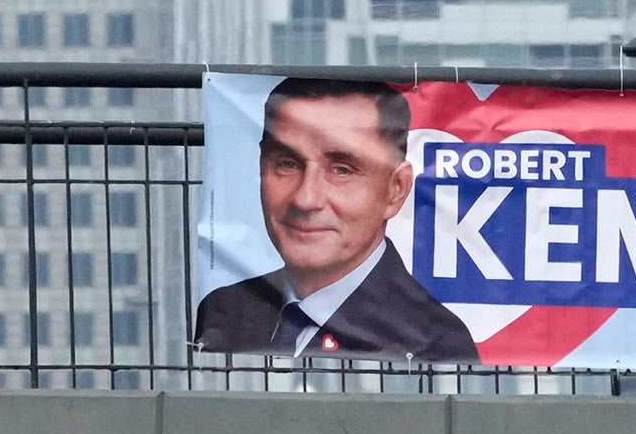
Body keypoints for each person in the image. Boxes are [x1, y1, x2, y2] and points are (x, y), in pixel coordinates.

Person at [191, 76, 478, 364]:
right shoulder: (223, 309)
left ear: (396, 190)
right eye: (287, 164)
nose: (306, 199)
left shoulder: (436, 340)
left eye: (342, 170)